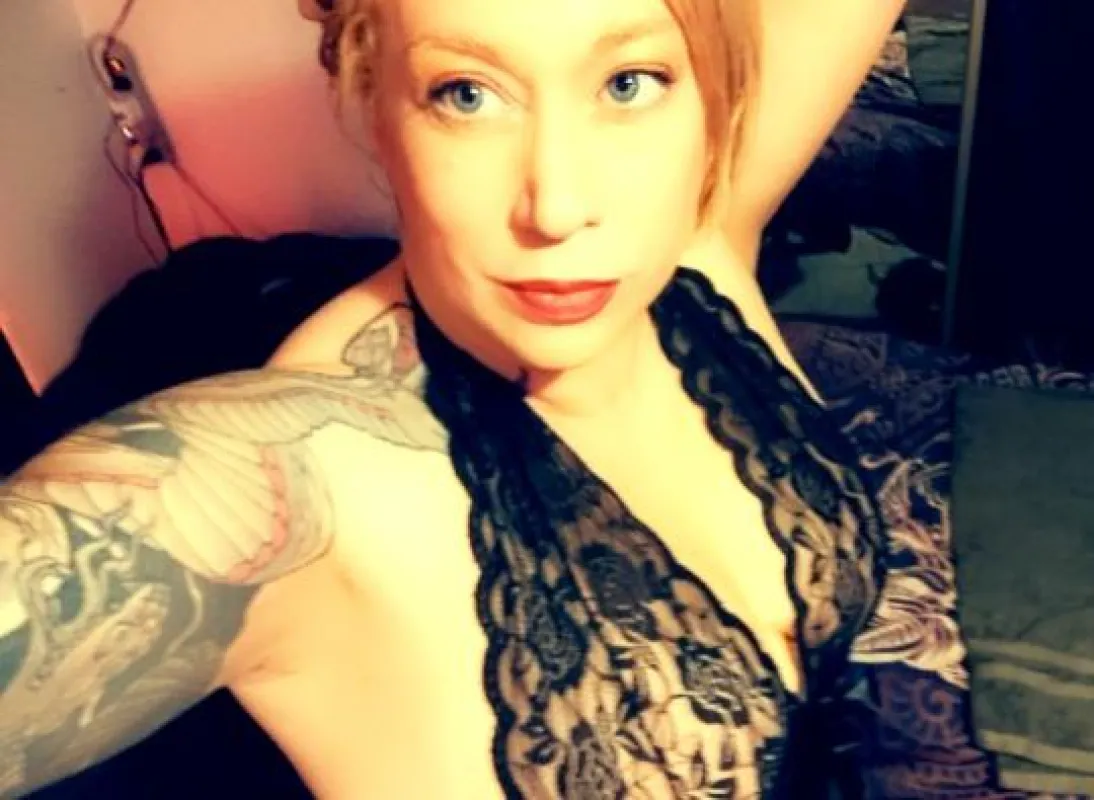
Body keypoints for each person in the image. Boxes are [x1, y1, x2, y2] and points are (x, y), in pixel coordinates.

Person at [0, 1, 1066, 798]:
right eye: (466, 94)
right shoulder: (310, 477)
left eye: (629, 83)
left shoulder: (692, 247)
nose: (557, 204)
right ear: (373, 99)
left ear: (711, 94)